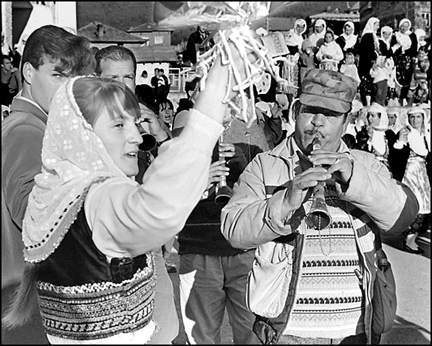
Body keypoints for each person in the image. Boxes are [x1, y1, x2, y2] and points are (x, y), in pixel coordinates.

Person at [2, 30, 260, 343]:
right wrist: (209, 111)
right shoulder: (80, 184)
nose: (137, 137)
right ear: (85, 134)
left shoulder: (67, 176)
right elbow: (155, 210)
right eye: (118, 124)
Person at [220, 68, 419, 345]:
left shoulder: (365, 164)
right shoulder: (266, 165)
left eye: (331, 115)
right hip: (287, 333)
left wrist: (355, 179)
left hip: (354, 331)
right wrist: (285, 200)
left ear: (346, 121)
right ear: (295, 111)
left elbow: (403, 216)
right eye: (310, 111)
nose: (317, 123)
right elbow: (233, 229)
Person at [1, 24, 96, 345]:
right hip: (29, 297)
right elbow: (31, 214)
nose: (65, 88)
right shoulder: (27, 130)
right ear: (29, 72)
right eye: (57, 75)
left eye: (71, 79)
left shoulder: (34, 127)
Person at [176, 92, 283, 345]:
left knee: (252, 335)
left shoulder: (251, 127)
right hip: (199, 246)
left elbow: (268, 184)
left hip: (245, 249)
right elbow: (170, 185)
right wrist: (201, 176)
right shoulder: (185, 124)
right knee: (200, 336)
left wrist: (246, 165)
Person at [94, 45, 176, 344]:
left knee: (161, 333)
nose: (120, 85)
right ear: (95, 78)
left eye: (127, 77)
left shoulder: (145, 119)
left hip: (150, 254)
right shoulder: (86, 126)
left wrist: (162, 137)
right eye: (111, 77)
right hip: (105, 258)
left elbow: (175, 184)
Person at [392, 106, 430, 254]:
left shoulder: (424, 134)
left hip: (422, 174)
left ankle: (412, 239)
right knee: (416, 204)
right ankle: (409, 240)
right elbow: (396, 154)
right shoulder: (405, 133)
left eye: (418, 117)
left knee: (424, 205)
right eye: (412, 117)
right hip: (410, 173)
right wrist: (400, 142)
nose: (415, 120)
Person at [390, 18, 418, 107]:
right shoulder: (396, 35)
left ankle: (409, 102)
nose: (404, 28)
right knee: (399, 81)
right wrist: (399, 51)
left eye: (406, 26)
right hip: (399, 61)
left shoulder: (412, 35)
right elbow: (393, 48)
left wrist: (405, 51)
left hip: (409, 61)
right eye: (402, 26)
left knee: (409, 80)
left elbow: (414, 48)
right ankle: (400, 101)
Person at [359, 17, 381, 106]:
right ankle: (367, 103)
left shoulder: (372, 35)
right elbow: (368, 52)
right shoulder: (368, 36)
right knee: (367, 83)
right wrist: (372, 62)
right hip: (367, 64)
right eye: (377, 25)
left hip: (371, 63)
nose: (378, 27)